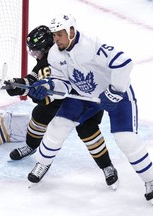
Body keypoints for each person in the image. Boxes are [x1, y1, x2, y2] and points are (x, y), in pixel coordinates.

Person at [27, 14, 153, 203]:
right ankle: (42, 164)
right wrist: (48, 86)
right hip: (83, 95)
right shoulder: (54, 54)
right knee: (57, 126)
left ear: (71, 31)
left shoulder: (91, 46)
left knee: (126, 139)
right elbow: (63, 84)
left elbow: (124, 63)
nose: (56, 39)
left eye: (60, 34)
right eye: (54, 35)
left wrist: (114, 92)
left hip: (116, 94)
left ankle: (150, 180)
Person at [6, 25, 118, 187]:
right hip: (60, 100)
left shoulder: (67, 55)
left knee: (88, 130)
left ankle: (107, 166)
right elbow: (34, 78)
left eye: (36, 50)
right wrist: (18, 84)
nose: (34, 54)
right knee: (40, 114)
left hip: (85, 99)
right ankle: (32, 147)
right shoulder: (47, 60)